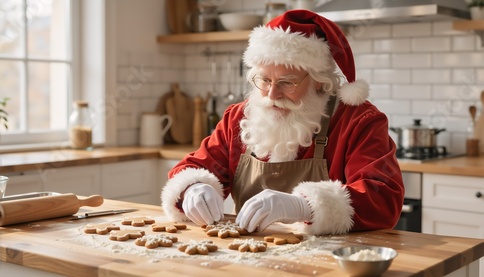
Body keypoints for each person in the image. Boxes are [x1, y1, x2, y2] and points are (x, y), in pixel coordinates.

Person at [161, 9, 404, 235]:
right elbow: (193, 167)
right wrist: (192, 188)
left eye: (287, 83)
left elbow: (382, 197)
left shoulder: (359, 122)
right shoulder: (238, 118)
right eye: (264, 80)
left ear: (320, 81)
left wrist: (304, 206)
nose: (271, 94)